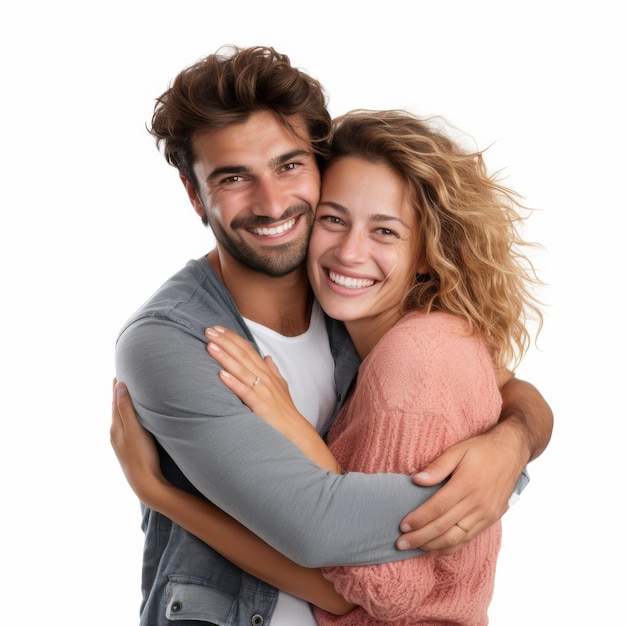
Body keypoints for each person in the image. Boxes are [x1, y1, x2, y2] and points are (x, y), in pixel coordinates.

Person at [112, 45, 553, 625]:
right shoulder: (172, 341)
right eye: (234, 177)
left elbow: (509, 388)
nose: (272, 204)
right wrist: (502, 487)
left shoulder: (350, 297)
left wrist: (511, 444)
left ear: (318, 166)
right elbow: (322, 532)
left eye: (289, 165)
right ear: (195, 195)